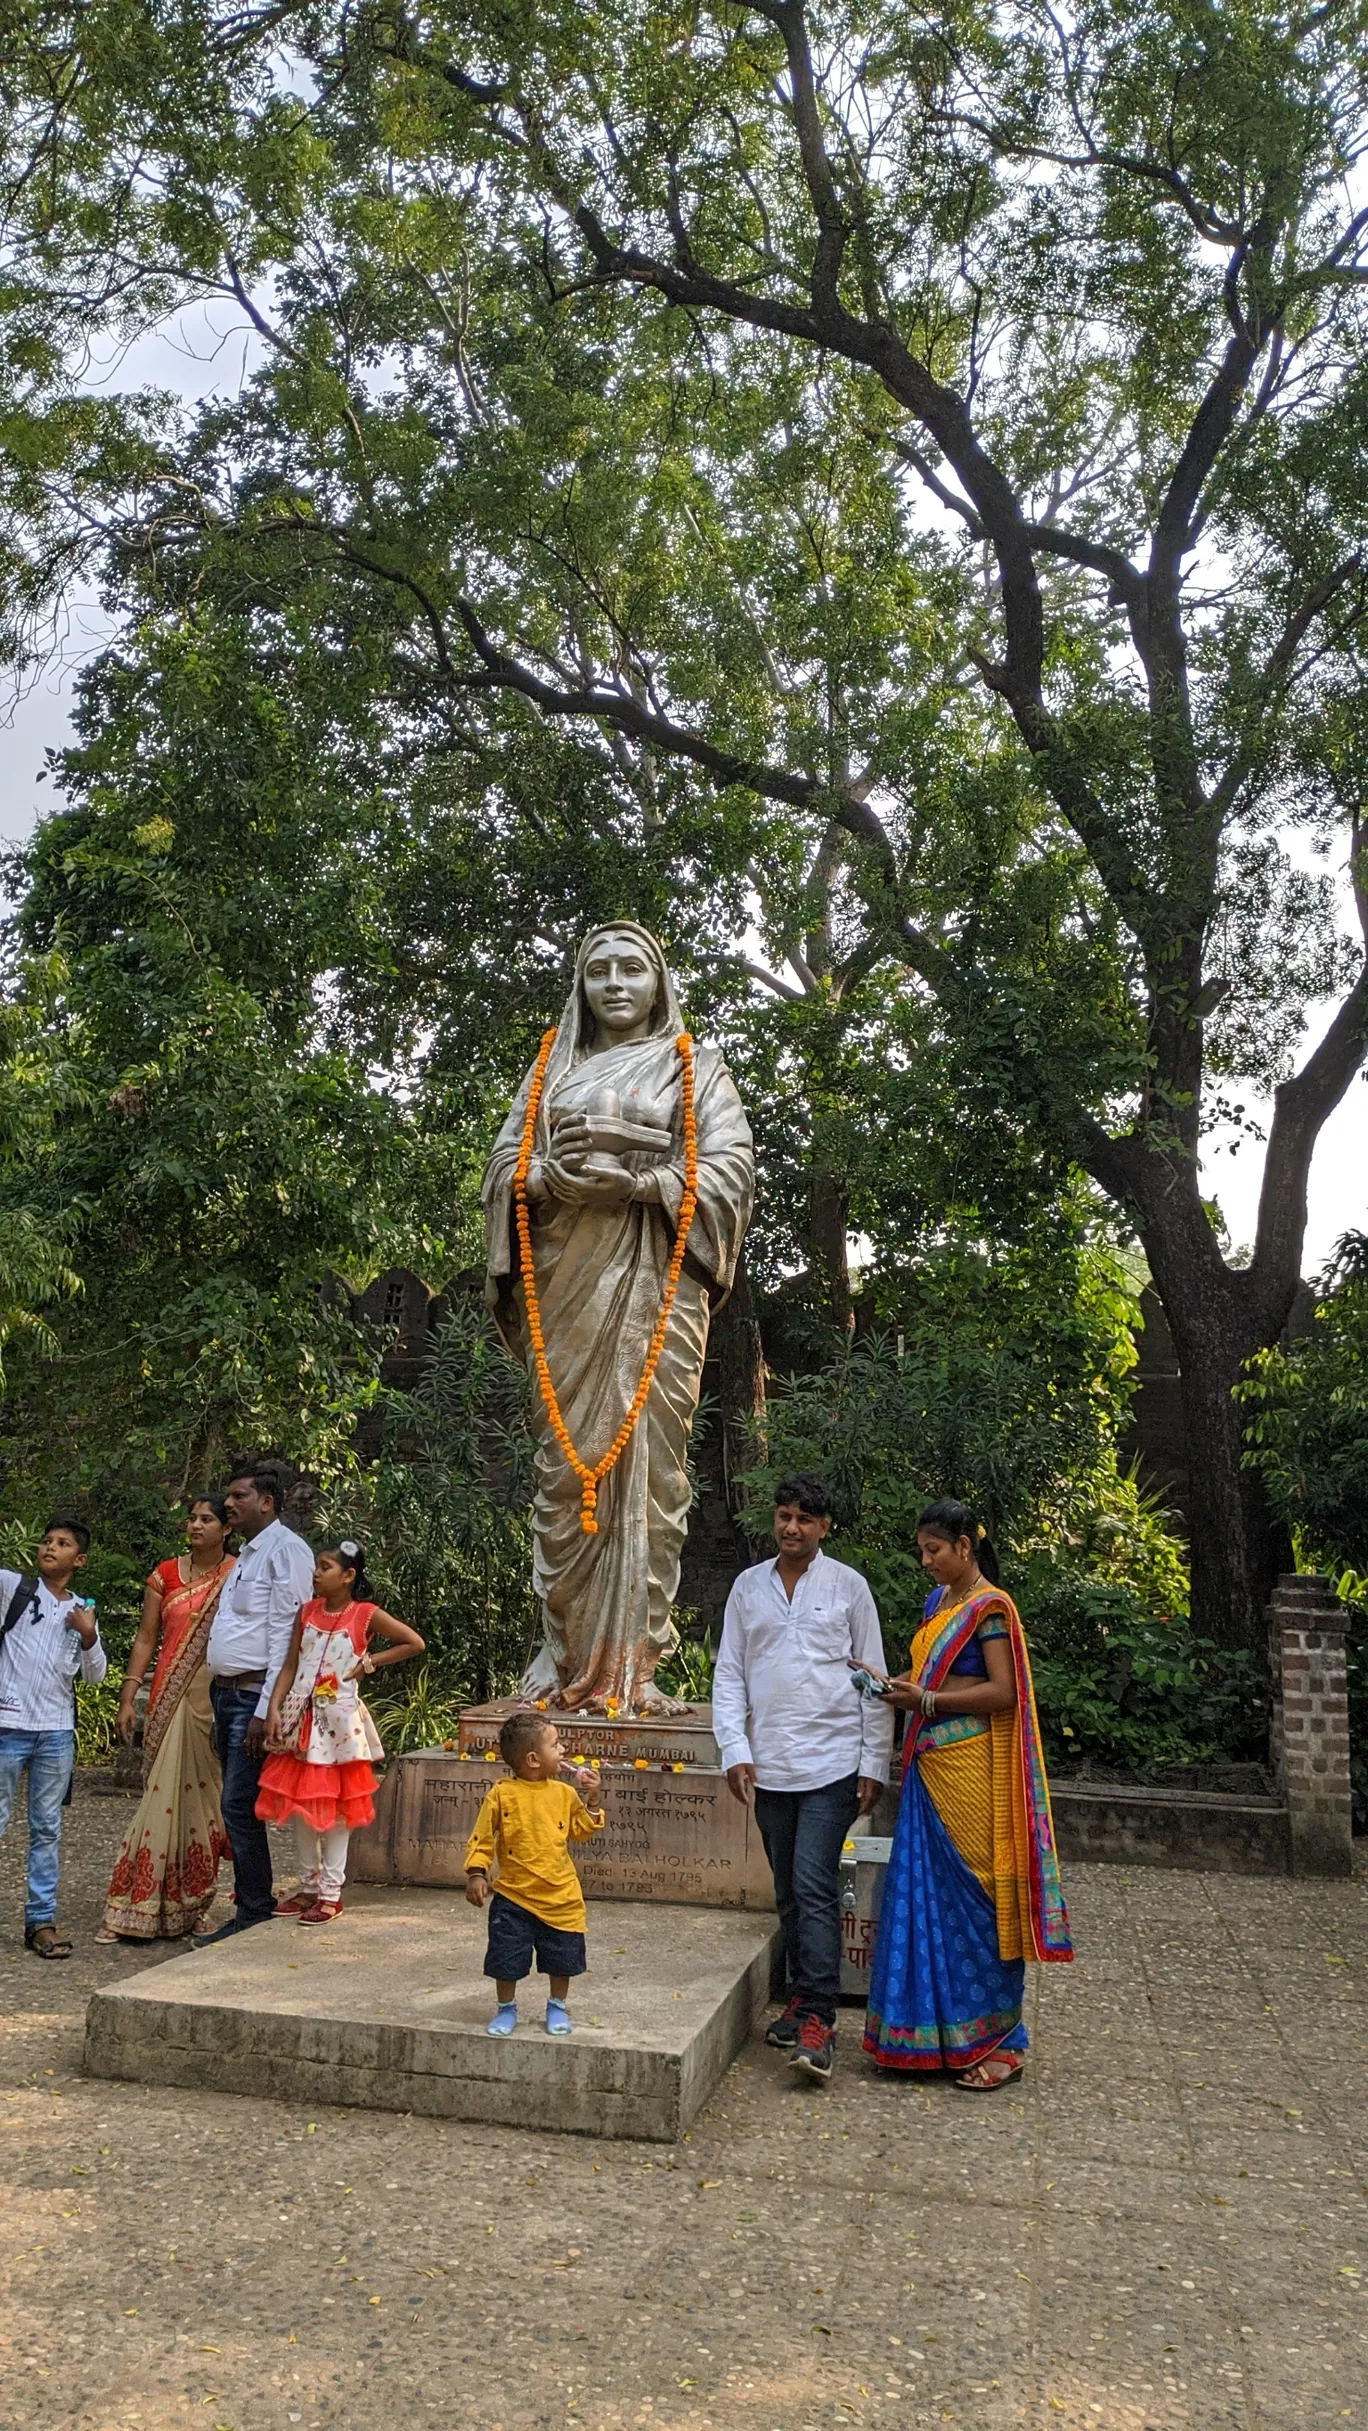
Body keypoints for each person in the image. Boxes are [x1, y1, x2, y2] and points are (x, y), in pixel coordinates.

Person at [482, 921, 754, 1711]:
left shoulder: (696, 1070)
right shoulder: (550, 1066)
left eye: (632, 968)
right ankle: (561, 1652)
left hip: (655, 1292)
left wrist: (638, 1186)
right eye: (597, 970)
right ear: (581, 985)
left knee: (652, 1472)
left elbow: (731, 1171)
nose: (615, 983)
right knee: (564, 1471)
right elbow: (503, 1166)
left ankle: (637, 1662)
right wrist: (542, 1177)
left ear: (659, 982)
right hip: (565, 1290)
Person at [863, 1497, 1073, 2090]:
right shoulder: (938, 1605)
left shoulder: (992, 1609)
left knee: (979, 1896)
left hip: (974, 1771)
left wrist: (925, 1702)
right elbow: (935, 1678)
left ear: (964, 1547)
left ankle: (1002, 2042)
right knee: (922, 1898)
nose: (926, 1560)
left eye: (935, 1550)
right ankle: (927, 2040)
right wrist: (899, 1687)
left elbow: (1003, 1691)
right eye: (922, 1550)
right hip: (931, 1769)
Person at [713, 1473, 893, 2084]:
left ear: (824, 1527)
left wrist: (874, 1762)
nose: (792, 1528)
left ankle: (819, 2019)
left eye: (804, 1520)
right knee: (788, 1889)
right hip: (769, 1766)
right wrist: (735, 1749)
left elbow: (873, 1678)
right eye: (784, 1516)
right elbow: (729, 1674)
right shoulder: (747, 1587)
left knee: (813, 1885)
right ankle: (799, 1999)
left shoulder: (849, 1588)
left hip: (832, 1763)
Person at [257, 1539, 425, 1924]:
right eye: (317, 1565)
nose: (316, 1573)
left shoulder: (364, 1614)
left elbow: (413, 1642)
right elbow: (290, 1664)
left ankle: (332, 1892)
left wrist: (370, 1663)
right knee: (300, 1806)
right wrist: (273, 1708)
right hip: (300, 1719)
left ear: (349, 1576)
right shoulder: (308, 1612)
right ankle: (309, 1885)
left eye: (325, 1566)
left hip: (339, 1724)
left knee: (335, 1811)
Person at [97, 1496, 237, 1942]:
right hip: (168, 1697)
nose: (195, 1525)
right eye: (192, 1518)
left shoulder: (238, 1573)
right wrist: (127, 1694)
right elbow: (146, 1636)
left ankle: (195, 1905)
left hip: (215, 1700)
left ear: (226, 1528)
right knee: (159, 1798)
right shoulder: (165, 1574)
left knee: (205, 1805)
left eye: (206, 1519)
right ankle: (131, 1906)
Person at [198, 1460, 315, 1944]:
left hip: (253, 1696)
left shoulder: (286, 1551)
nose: (229, 1503)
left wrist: (268, 1707)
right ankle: (252, 1902)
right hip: (227, 1693)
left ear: (267, 1502)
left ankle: (253, 1910)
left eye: (239, 1496)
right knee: (237, 1805)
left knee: (238, 1804)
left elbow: (289, 1635)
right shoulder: (247, 1554)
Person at [0, 1516, 106, 1959]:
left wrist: (88, 1634)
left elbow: (96, 1675)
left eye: (62, 1544)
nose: (50, 1548)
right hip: (7, 1726)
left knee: (47, 1829)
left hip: (56, 1732)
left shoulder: (83, 1610)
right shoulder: (13, 1588)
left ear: (78, 1560)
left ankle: (40, 1921)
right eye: (46, 1541)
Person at [463, 1710, 606, 2036]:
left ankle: (557, 2005)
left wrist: (593, 1798)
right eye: (555, 1745)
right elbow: (483, 1837)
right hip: (513, 1895)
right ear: (533, 1759)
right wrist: (476, 1873)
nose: (563, 1751)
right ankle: (506, 2009)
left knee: (562, 1957)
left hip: (560, 1895)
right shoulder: (501, 1793)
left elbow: (582, 1830)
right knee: (506, 1958)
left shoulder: (564, 1794)